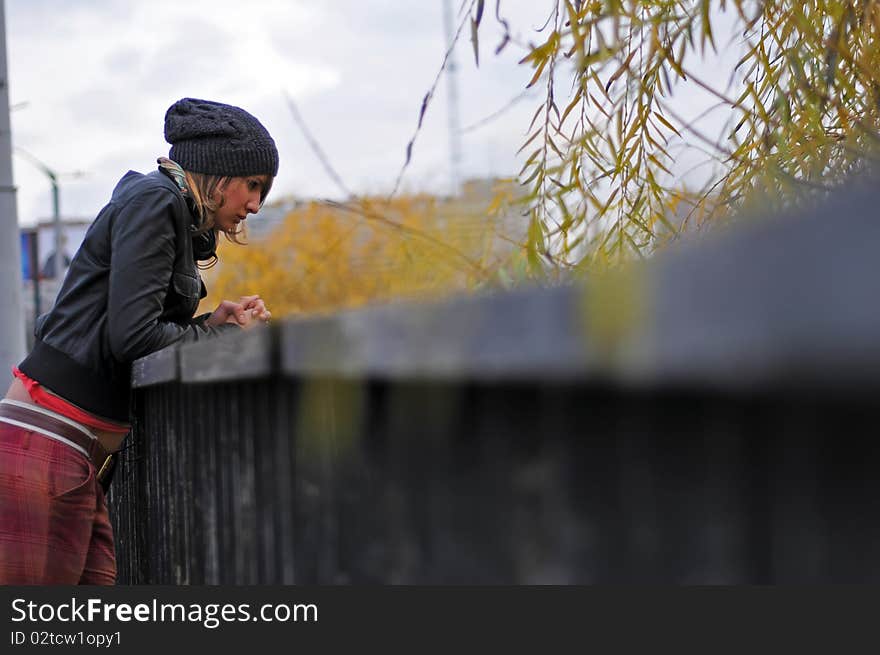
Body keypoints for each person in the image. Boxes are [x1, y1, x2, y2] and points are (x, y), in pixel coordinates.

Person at [0, 97, 278, 584]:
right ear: (217, 173)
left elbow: (127, 323)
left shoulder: (164, 207)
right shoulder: (156, 202)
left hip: (72, 457)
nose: (255, 204)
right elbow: (133, 336)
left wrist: (212, 326)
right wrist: (212, 342)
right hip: (47, 448)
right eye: (252, 185)